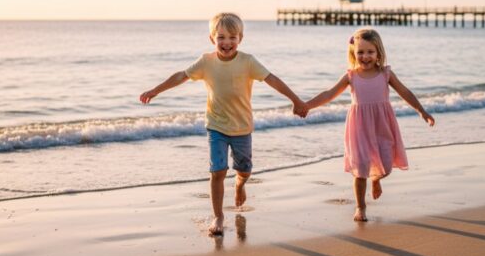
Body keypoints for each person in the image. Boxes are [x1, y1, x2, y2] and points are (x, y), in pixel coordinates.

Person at [140, 13, 307, 235]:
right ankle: (218, 217)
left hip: (242, 127)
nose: (226, 42)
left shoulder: (248, 62)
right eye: (221, 37)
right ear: (212, 39)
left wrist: (296, 100)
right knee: (217, 171)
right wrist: (155, 91)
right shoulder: (206, 62)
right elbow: (181, 76)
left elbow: (272, 79)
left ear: (240, 38)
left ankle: (239, 184)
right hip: (216, 126)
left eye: (232, 37)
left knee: (244, 170)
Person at [305, 28, 434, 222]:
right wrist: (306, 105)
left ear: (378, 53)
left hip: (382, 124)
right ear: (353, 53)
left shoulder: (385, 74)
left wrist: (421, 111)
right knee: (361, 168)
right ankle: (360, 207)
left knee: (387, 165)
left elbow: (405, 92)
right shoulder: (351, 76)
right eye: (360, 52)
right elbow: (328, 94)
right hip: (359, 128)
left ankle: (376, 179)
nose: (365, 56)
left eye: (370, 52)